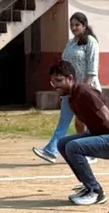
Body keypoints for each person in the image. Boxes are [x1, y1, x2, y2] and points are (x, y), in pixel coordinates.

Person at [47, 60, 109, 206]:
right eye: (52, 82)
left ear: (70, 78)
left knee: (72, 146)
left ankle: (96, 192)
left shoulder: (84, 92)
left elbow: (107, 116)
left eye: (59, 81)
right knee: (63, 143)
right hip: (100, 136)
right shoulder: (71, 97)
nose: (55, 85)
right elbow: (80, 123)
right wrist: (81, 144)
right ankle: (87, 186)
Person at [33, 12, 101, 164]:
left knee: (83, 122)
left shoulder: (90, 42)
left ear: (84, 26)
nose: (74, 28)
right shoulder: (71, 43)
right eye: (72, 25)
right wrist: (61, 85)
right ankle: (51, 151)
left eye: (77, 25)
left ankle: (90, 153)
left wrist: (84, 89)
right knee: (64, 121)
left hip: (86, 90)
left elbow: (92, 69)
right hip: (69, 89)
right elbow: (64, 65)